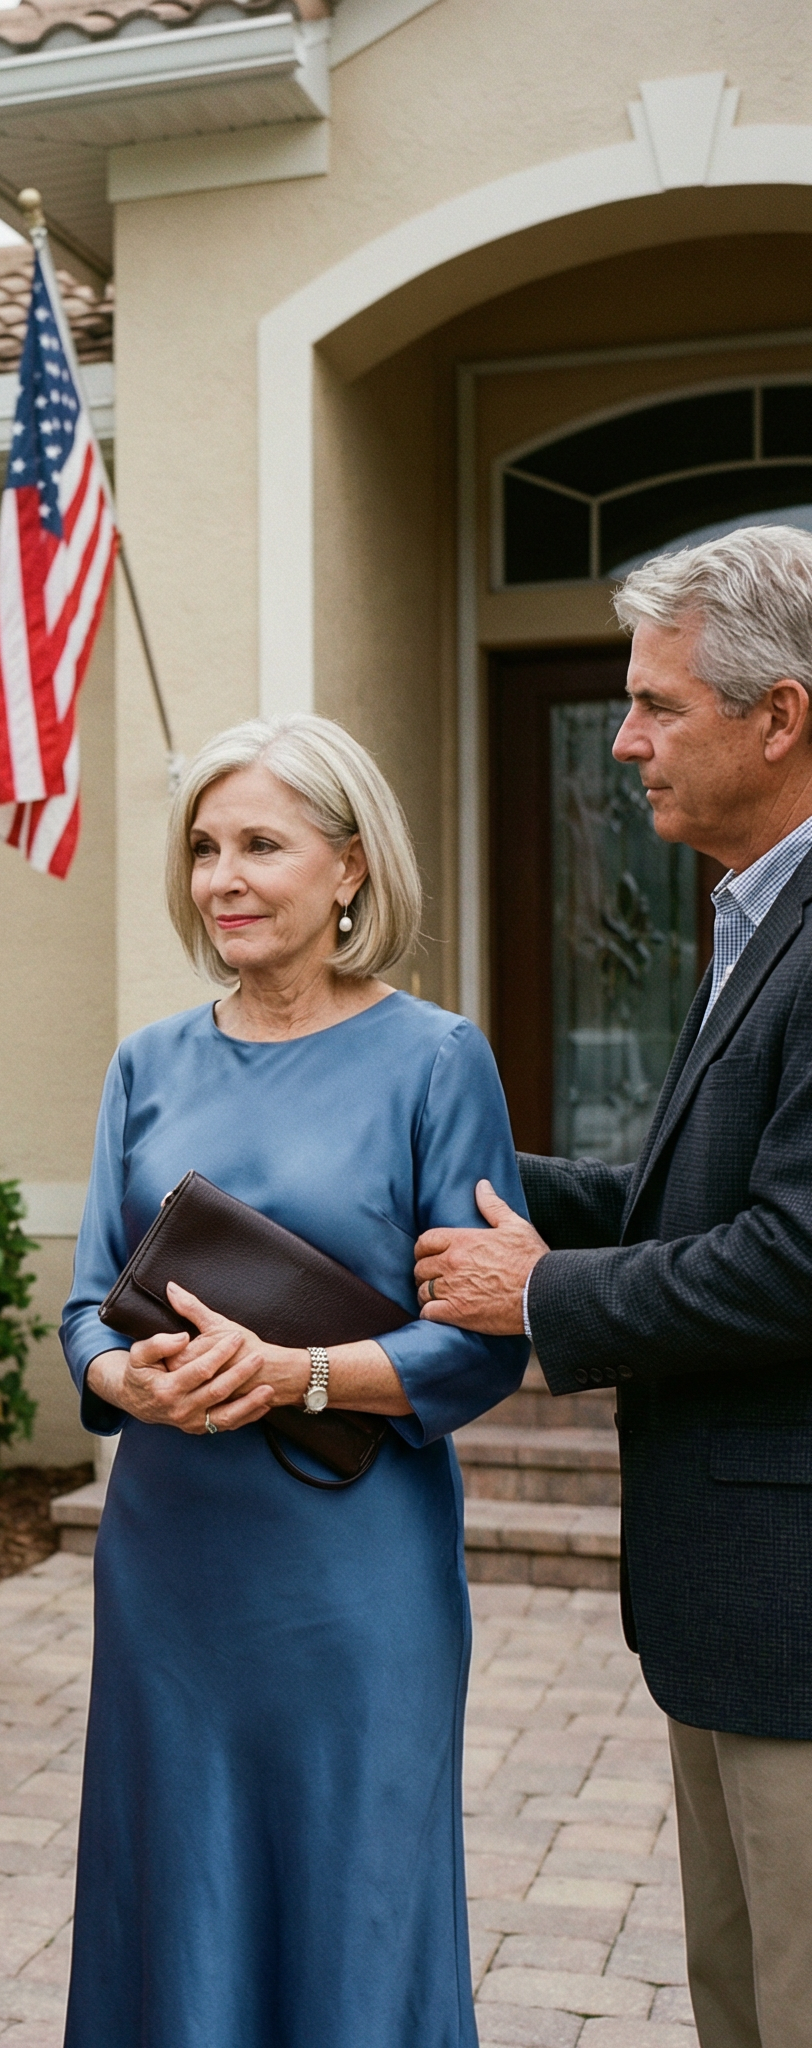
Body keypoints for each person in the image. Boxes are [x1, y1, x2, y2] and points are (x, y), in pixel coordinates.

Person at [58, 713, 528, 2048]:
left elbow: (486, 1339)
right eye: (206, 848)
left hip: (352, 1569)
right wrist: (122, 1382)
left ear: (351, 870)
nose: (225, 877)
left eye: (262, 843)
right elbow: (88, 1300)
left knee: (357, 1891)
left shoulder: (438, 1061)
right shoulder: (147, 1062)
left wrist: (299, 1373)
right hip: (171, 1559)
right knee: (178, 1884)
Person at [416, 525, 812, 2048]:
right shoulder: (752, 917)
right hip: (734, 1612)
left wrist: (539, 1300)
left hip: (795, 1624)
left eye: (658, 705)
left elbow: (791, 1258)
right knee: (743, 2000)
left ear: (779, 717)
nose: (626, 738)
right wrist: (423, 1168)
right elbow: (673, 1206)